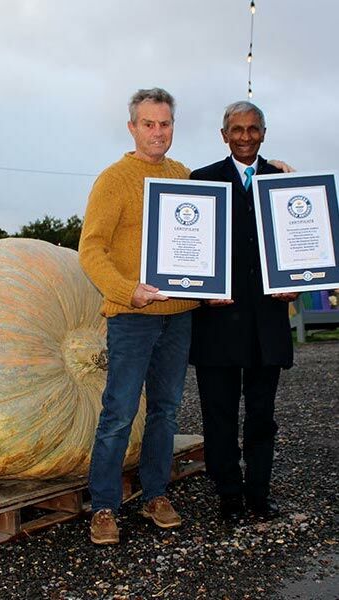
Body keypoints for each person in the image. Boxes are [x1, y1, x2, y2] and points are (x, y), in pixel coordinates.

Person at [78, 88, 198, 545]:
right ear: (132, 127)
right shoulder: (113, 180)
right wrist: (128, 290)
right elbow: (91, 249)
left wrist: (275, 175)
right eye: (148, 123)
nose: (157, 132)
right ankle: (105, 506)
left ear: (172, 127)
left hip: (179, 313)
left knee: (166, 411)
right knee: (119, 412)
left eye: (164, 123)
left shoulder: (184, 176)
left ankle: (155, 495)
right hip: (132, 314)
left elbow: (209, 231)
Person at [189, 101, 297, 522]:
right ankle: (229, 497)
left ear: (264, 133)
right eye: (237, 129)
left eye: (253, 129)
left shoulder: (285, 183)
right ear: (224, 135)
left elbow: (297, 249)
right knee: (218, 417)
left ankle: (259, 495)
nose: (246, 136)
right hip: (217, 323)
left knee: (261, 417)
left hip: (266, 326)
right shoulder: (202, 181)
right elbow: (189, 255)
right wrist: (200, 292)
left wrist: (295, 286)